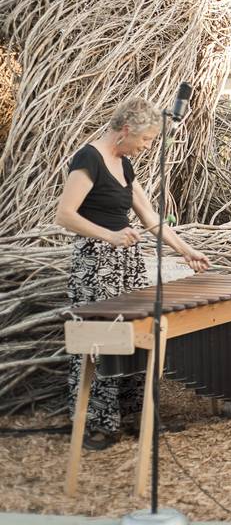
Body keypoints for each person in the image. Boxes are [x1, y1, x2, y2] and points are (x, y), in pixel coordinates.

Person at [55, 98, 210, 450]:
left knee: (133, 338)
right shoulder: (88, 159)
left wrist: (187, 252)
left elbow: (151, 219)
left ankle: (134, 416)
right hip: (95, 265)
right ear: (126, 130)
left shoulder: (125, 165)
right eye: (146, 140)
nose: (147, 147)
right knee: (99, 342)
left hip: (126, 265)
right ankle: (98, 423)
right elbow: (65, 215)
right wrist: (109, 235)